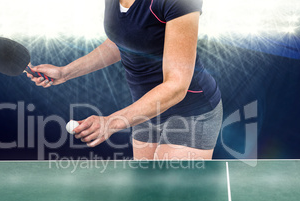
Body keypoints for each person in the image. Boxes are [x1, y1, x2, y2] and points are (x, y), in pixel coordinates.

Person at [28, 0, 222, 160]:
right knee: (147, 194)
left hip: (191, 112)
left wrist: (111, 122)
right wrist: (65, 72)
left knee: (171, 199)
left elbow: (177, 86)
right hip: (145, 110)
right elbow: (122, 41)